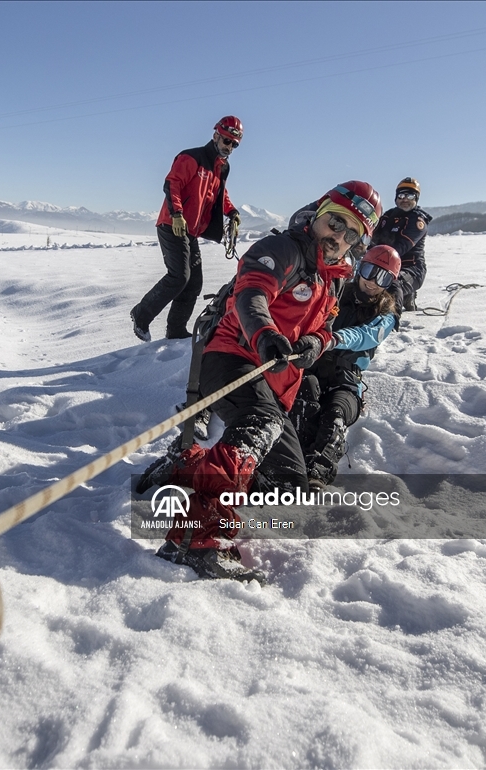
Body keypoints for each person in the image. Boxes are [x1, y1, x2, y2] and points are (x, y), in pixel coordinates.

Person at [150, 181, 383, 581]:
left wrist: (315, 342)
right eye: (335, 222)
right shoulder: (285, 250)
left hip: (275, 384)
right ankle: (193, 539)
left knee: (285, 483)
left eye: (351, 233)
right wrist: (264, 334)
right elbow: (251, 293)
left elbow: (326, 326)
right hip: (232, 357)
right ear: (319, 214)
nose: (338, 236)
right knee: (261, 424)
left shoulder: (334, 279)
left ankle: (186, 466)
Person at [290, 245, 402, 490]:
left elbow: (367, 335)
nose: (372, 281)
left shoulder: (386, 314)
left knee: (336, 412)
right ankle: (292, 461)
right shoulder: (338, 292)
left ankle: (319, 471)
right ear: (360, 267)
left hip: (347, 378)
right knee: (303, 398)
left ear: (389, 283)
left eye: (382, 277)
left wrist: (335, 339)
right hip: (314, 368)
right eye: (370, 270)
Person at [131, 117, 243, 342]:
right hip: (172, 224)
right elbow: (172, 184)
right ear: (215, 136)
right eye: (226, 141)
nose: (229, 147)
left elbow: (220, 195)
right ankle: (141, 314)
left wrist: (231, 212)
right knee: (179, 276)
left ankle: (175, 331)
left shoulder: (221, 167)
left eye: (234, 144)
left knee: (194, 283)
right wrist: (177, 215)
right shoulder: (191, 157)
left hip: (190, 231)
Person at [370, 177, 431, 311]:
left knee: (389, 284)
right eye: (401, 195)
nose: (405, 199)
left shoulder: (418, 221)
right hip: (385, 265)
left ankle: (391, 318)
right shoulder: (388, 216)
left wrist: (374, 256)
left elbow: (400, 247)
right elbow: (373, 236)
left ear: (416, 198)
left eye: (410, 195)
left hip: (411, 268)